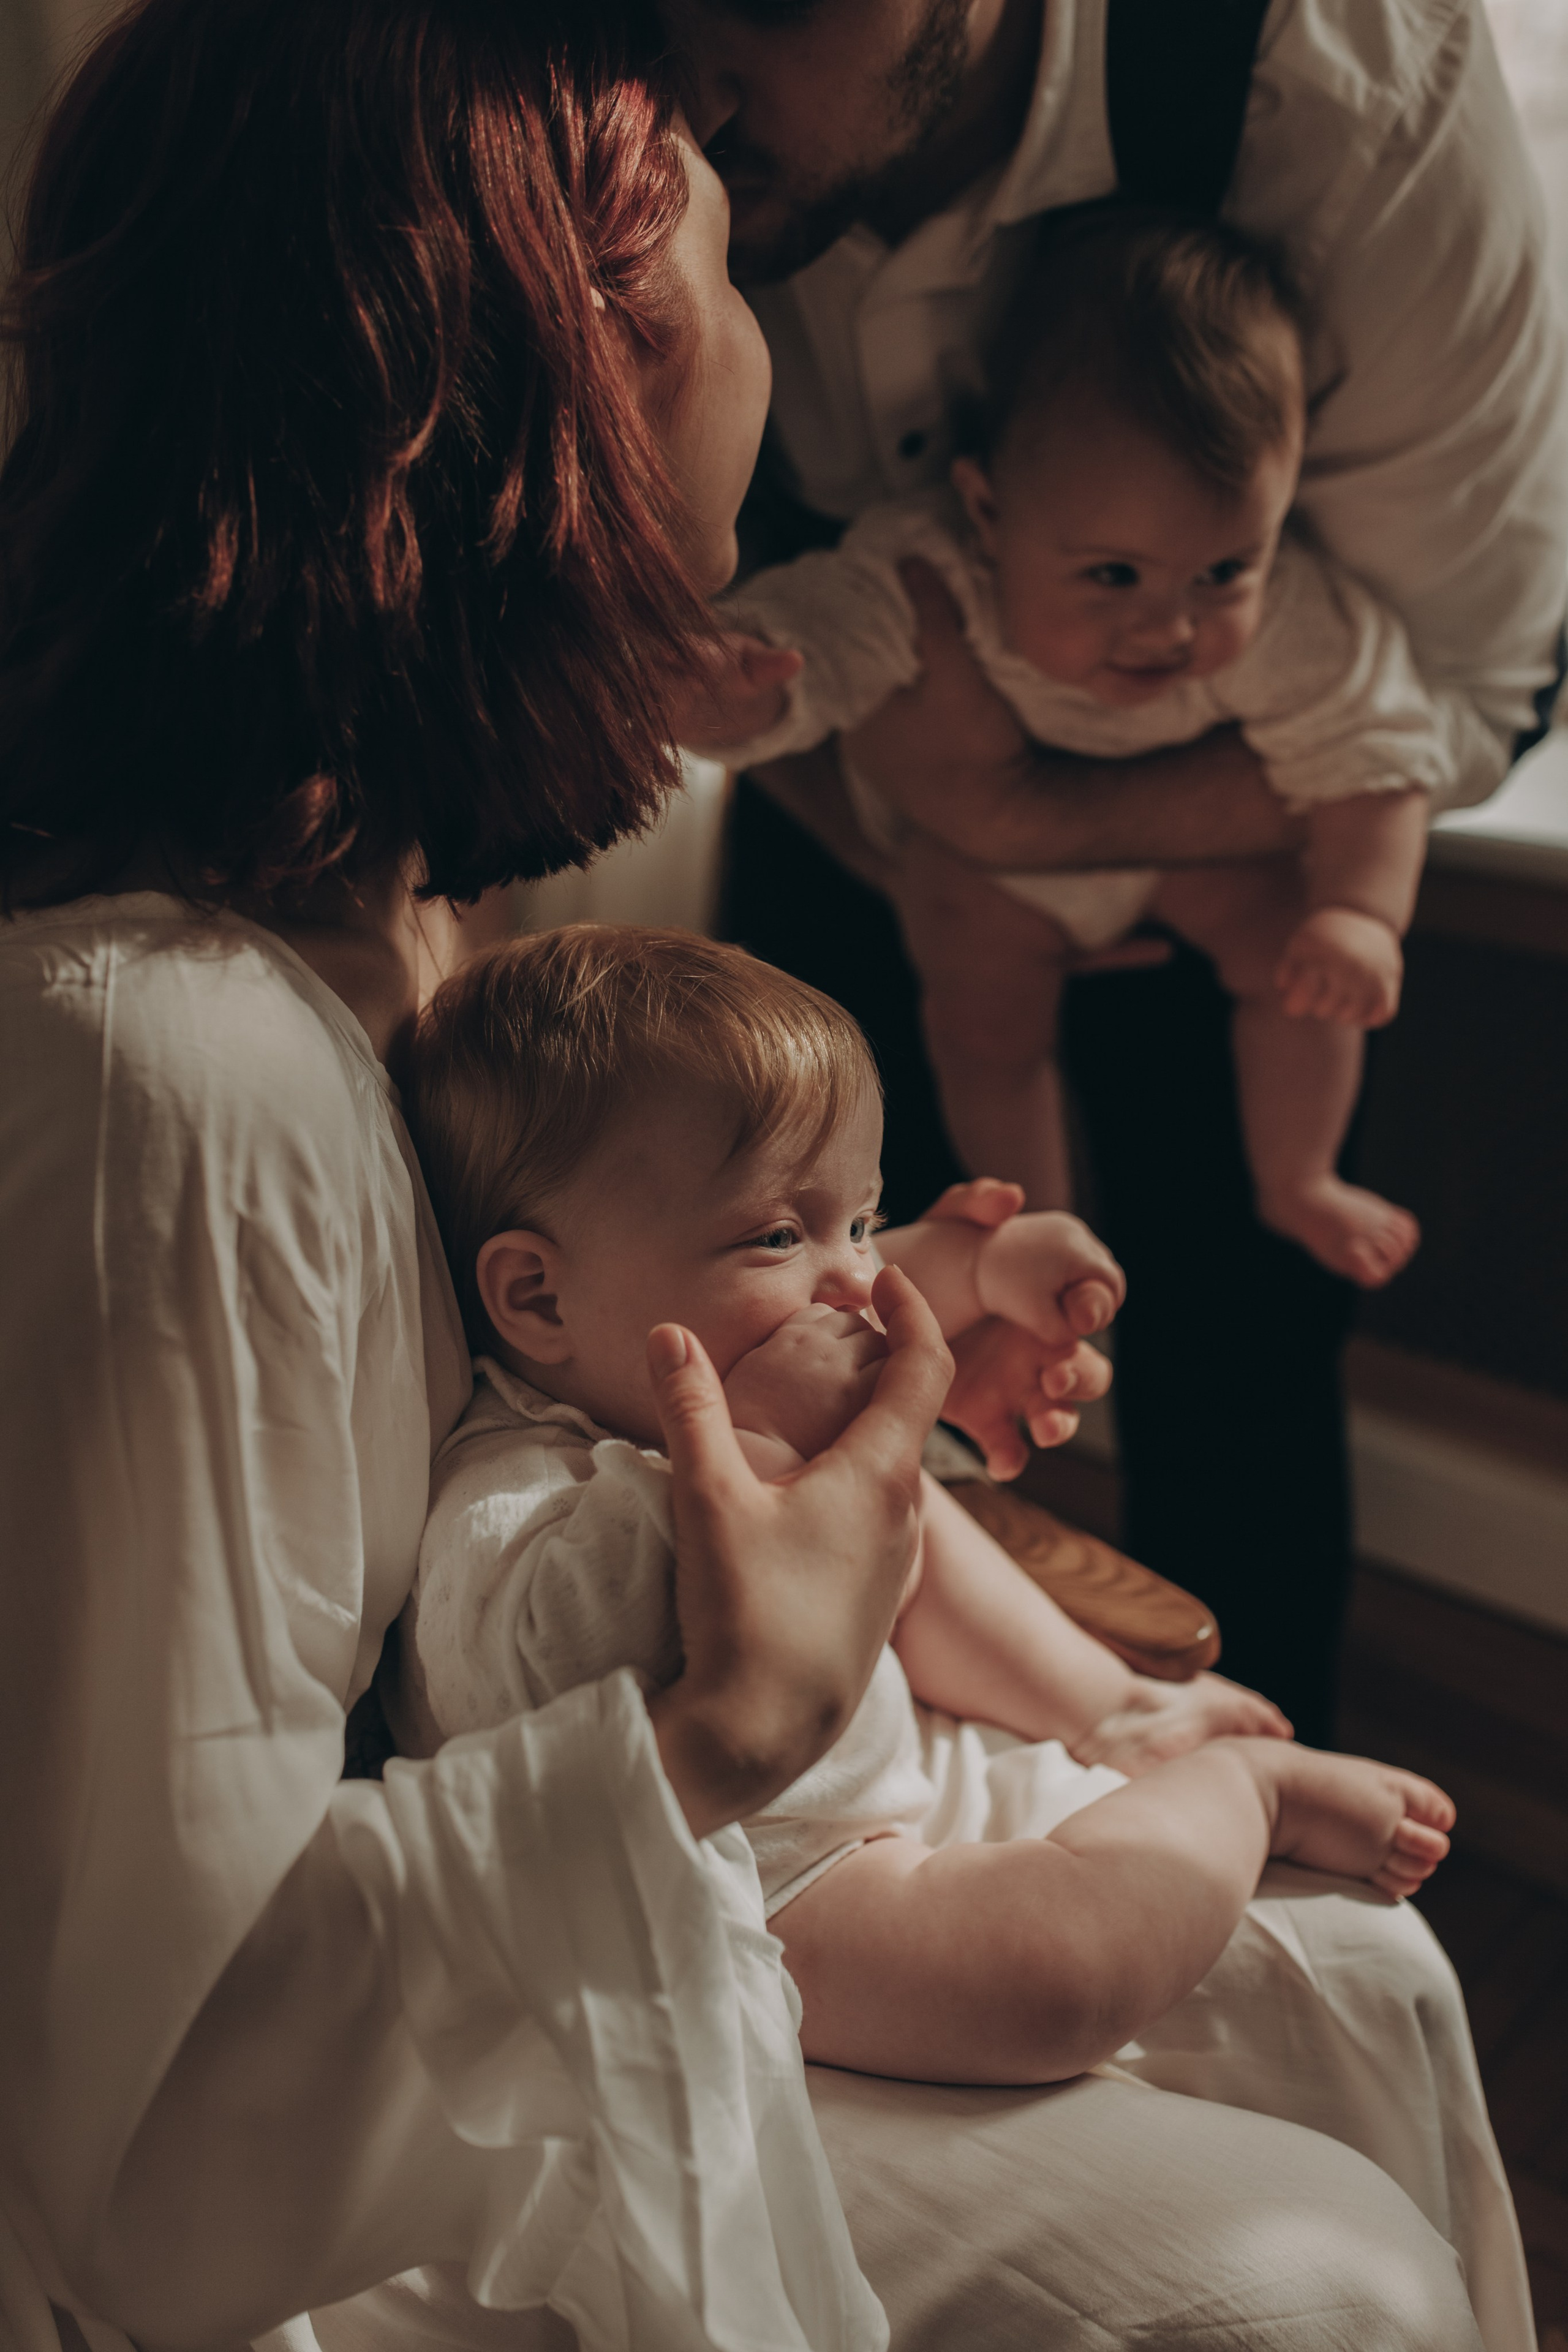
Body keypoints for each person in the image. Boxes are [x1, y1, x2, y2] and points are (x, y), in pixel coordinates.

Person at [0, 1, 1532, 2348]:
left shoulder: (420, 947)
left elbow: (535, 1403)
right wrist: (718, 1736)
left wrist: (851, 1297)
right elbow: (150, 2147)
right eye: (722, 262)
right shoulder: (172, 1086)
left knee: (1351, 1982)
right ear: (574, 370)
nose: (776, 348)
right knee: (1300, 2281)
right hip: (357, 2149)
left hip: (597, 1858)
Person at [673, 0, 1568, 1740]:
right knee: (805, 1359)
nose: (680, 81)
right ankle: (860, 1805)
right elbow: (779, 646)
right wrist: (882, 811)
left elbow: (1457, 697)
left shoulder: (1351, 100)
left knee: (1237, 1391)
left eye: (763, 6)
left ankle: (1257, 1837)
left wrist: (1015, 821)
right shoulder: (634, 116)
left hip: (1223, 878)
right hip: (856, 863)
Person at [402, 920, 1471, 2084]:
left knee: (895, 1488)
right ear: (536, 1296)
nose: (859, 1278)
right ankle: (1247, 1794)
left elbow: (834, 1280)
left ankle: (1109, 1704)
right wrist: (778, 1441)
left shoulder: (659, 1332)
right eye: (779, 1233)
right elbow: (546, 1660)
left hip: (865, 1773)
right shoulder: (513, 1503)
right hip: (779, 1876)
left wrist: (984, 1264)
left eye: (857, 1218)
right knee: (1050, 1982)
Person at [688, 212, 1443, 1285]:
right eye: (1114, 577)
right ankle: (1027, 1233)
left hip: (1182, 861)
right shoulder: (930, 569)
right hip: (987, 878)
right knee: (984, 1031)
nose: (1171, 628)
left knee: (1293, 952)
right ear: (988, 512)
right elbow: (821, 648)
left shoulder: (1293, 621)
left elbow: (1380, 750)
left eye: (1225, 570)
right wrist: (733, 685)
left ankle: (1300, 1175)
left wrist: (1363, 913)